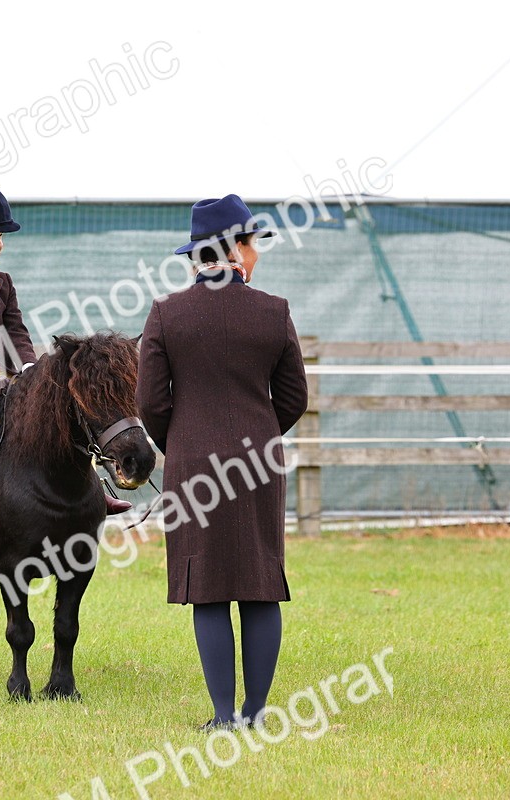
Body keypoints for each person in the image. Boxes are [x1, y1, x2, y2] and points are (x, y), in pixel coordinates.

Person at [135, 195, 308, 728]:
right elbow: (294, 397)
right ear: (235, 248)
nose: (255, 253)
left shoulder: (166, 313)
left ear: (198, 255)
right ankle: (257, 713)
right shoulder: (273, 311)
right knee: (260, 585)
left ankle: (222, 715)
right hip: (258, 464)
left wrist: (181, 443)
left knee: (206, 589)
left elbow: (149, 403)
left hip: (191, 468)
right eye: (253, 242)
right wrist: (256, 438)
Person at [0, 179, 132, 549]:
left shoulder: (3, 282)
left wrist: (29, 370)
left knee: (63, 417)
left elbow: (16, 331)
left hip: (11, 380)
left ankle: (96, 489)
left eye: (1, 238)